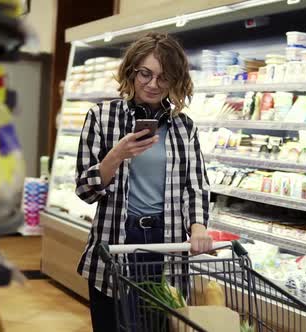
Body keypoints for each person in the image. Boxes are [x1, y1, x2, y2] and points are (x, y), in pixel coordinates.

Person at [74, 32, 213, 331]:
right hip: (117, 241)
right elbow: (85, 190)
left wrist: (198, 227)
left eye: (163, 78)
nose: (153, 84)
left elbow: (197, 184)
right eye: (145, 74)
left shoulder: (183, 127)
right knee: (113, 323)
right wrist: (115, 155)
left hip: (167, 242)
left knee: (159, 325)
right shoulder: (101, 117)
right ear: (132, 72)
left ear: (175, 80)